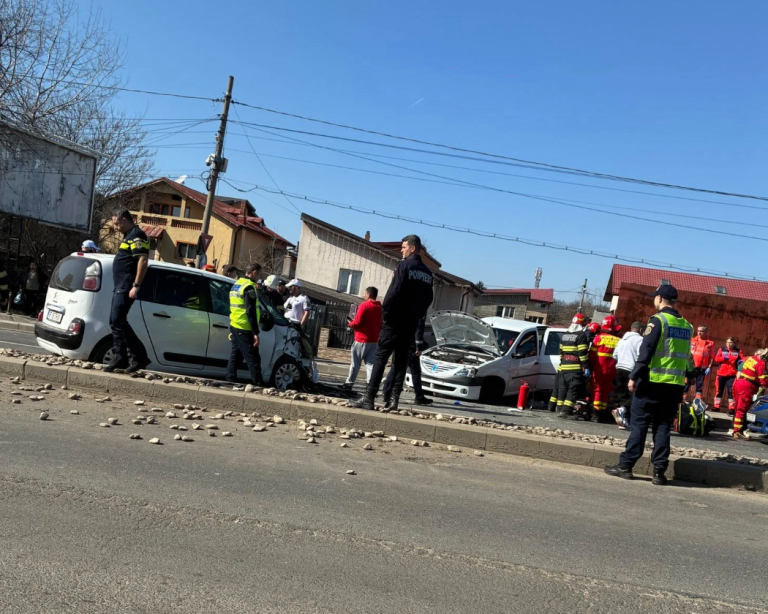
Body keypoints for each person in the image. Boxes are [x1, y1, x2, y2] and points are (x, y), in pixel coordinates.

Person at [605, 284, 694, 486]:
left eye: (655, 297)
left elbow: (646, 350)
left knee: (640, 425)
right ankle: (659, 472)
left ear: (660, 299)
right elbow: (688, 355)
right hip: (674, 386)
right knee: (663, 427)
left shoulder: (658, 321)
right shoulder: (687, 326)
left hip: (651, 384)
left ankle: (626, 466)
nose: (654, 300)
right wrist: (691, 375)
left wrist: (634, 376)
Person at [352, 234, 434, 411]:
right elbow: (429, 299)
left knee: (381, 358)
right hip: (410, 324)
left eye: (403, 247)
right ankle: (393, 400)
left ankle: (369, 398)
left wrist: (385, 314)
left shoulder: (403, 266)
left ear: (412, 248)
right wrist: (417, 315)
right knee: (400, 361)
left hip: (394, 320)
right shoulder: (428, 273)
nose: (401, 250)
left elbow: (393, 292)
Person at [104, 210, 150, 373]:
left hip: (126, 285)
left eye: (116, 224)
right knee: (116, 321)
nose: (115, 227)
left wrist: (136, 285)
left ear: (124, 220)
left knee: (117, 320)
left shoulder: (136, 235)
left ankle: (134, 357)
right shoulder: (129, 236)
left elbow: (143, 260)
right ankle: (126, 358)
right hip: (121, 285)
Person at [225, 263, 263, 386]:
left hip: (235, 324)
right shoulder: (249, 287)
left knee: (236, 355)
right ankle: (258, 384)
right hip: (245, 327)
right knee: (253, 358)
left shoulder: (237, 284)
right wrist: (256, 332)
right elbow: (250, 311)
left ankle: (230, 379)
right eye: (259, 274)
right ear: (254, 272)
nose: (259, 277)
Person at [382, 314, 432, 407]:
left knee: (395, 368)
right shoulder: (420, 311)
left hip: (400, 341)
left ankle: (386, 392)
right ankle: (419, 396)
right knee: (415, 372)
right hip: (411, 345)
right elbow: (419, 329)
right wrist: (418, 346)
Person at [342, 287, 382, 390]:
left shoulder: (364, 305)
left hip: (361, 339)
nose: (364, 296)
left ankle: (349, 384)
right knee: (370, 364)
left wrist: (350, 323)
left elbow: (358, 322)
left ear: (368, 294)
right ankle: (370, 386)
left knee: (355, 364)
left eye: (365, 293)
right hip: (374, 340)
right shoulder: (380, 308)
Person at [554, 313, 590, 419]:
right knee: (573, 389)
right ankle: (566, 411)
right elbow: (582, 353)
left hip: (564, 366)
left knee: (563, 388)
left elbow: (560, 351)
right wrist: (586, 366)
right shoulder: (581, 335)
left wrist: (563, 363)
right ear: (582, 324)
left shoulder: (565, 334)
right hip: (574, 367)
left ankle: (560, 408)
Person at [612, 321, 644, 429]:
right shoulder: (640, 340)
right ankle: (623, 411)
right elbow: (641, 356)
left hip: (619, 368)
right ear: (640, 330)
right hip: (631, 370)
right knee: (634, 395)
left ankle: (623, 421)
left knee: (622, 395)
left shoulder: (622, 340)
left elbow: (615, 355)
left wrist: (622, 360)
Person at [589, 315, 621, 423]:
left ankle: (595, 414)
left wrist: (589, 366)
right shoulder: (619, 340)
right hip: (612, 370)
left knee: (597, 390)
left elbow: (592, 355)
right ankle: (602, 412)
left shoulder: (599, 338)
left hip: (599, 369)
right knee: (606, 390)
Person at [730, 349, 768, 440]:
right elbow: (764, 381)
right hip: (748, 387)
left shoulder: (750, 358)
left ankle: (736, 429)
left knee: (738, 407)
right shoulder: (761, 364)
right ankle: (737, 431)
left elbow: (741, 368)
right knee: (742, 409)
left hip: (739, 383)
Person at [713, 337, 744, 416]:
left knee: (731, 391)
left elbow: (742, 360)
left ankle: (731, 409)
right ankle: (716, 407)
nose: (729, 344)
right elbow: (716, 359)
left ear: (734, 343)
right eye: (727, 342)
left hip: (732, 375)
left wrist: (740, 362)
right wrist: (723, 358)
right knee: (718, 390)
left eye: (730, 342)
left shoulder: (738, 351)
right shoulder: (722, 349)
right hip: (721, 373)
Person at [690, 324, 715, 401]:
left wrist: (709, 367)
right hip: (691, 366)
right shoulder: (692, 340)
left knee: (699, 385)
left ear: (706, 332)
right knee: (687, 384)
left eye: (701, 331)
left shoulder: (710, 343)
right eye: (698, 331)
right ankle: (683, 401)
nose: (699, 333)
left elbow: (711, 356)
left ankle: (697, 401)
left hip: (702, 368)